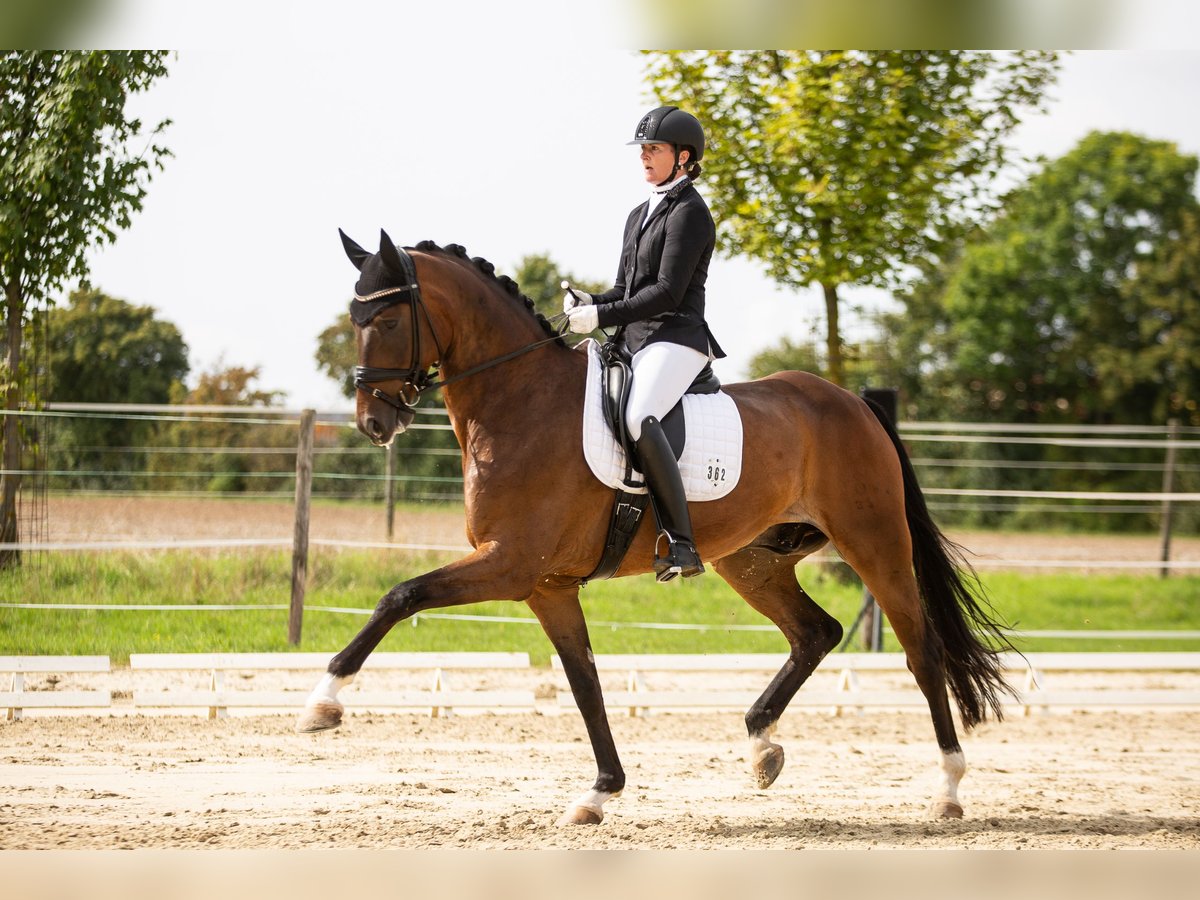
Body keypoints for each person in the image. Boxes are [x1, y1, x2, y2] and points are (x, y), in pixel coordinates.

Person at [564, 106, 726, 582]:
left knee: (639, 416)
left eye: (654, 150)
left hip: (677, 336)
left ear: (683, 157)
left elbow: (666, 294)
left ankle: (682, 543)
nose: (645, 158)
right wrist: (590, 301)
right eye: (643, 151)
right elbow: (625, 289)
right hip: (637, 337)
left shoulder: (691, 212)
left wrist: (600, 316)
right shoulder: (640, 212)